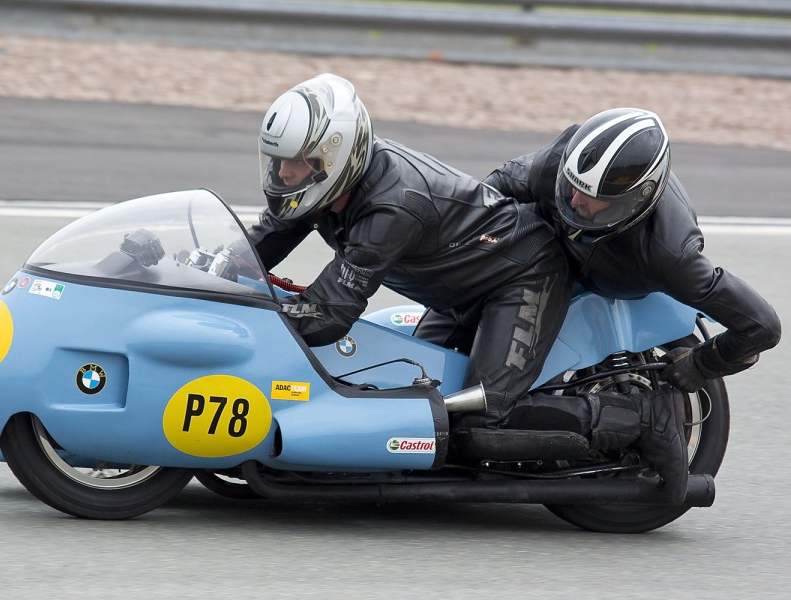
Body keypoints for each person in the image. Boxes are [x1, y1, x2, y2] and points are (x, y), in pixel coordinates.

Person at [244, 74, 692, 502]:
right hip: (463, 288)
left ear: (333, 158)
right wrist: (205, 268)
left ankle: (645, 420)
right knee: (416, 402)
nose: (284, 174)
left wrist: (251, 321)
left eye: (296, 162)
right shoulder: (323, 186)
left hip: (522, 276)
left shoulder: (392, 207)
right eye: (279, 160)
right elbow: (265, 239)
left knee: (478, 426)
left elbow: (329, 313)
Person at [482, 107, 782, 499]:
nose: (574, 201)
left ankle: (637, 421)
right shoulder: (555, 167)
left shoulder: (672, 255)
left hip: (582, 281)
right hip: (538, 258)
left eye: (592, 199)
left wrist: (699, 366)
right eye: (572, 187)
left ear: (634, 201)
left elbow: (763, 326)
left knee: (485, 407)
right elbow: (489, 193)